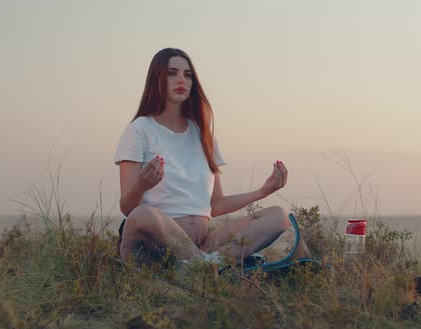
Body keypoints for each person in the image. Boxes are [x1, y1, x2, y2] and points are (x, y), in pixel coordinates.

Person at [114, 48, 309, 267]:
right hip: (156, 245)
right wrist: (142, 185)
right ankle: (208, 267)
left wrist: (263, 192)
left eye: (188, 75)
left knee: (278, 216)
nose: (181, 80)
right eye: (172, 73)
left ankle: (204, 265)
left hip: (202, 245)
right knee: (142, 214)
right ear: (156, 79)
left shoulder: (203, 133)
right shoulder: (139, 130)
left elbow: (215, 205)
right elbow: (127, 208)